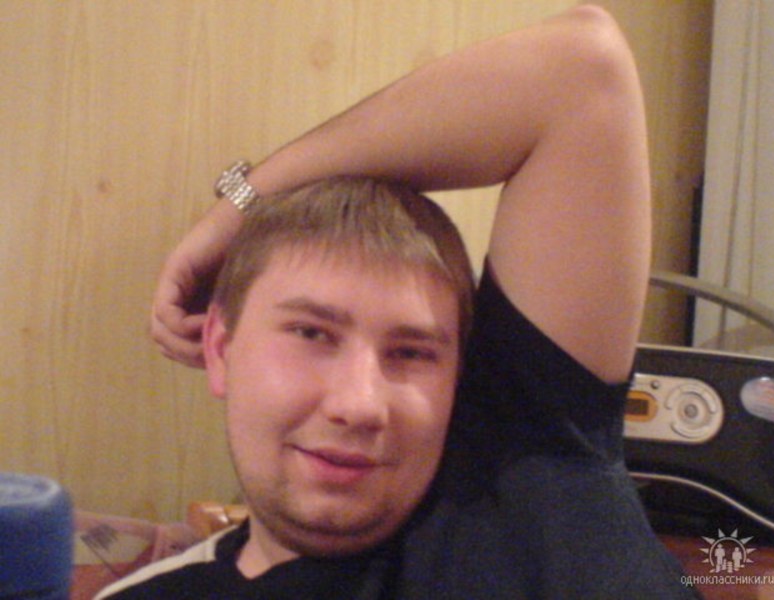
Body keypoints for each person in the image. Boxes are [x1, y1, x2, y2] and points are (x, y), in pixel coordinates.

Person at [103, 5, 697, 598]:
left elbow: (580, 72)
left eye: (412, 353)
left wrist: (239, 207)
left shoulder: (529, 482)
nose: (360, 404)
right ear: (220, 348)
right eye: (312, 333)